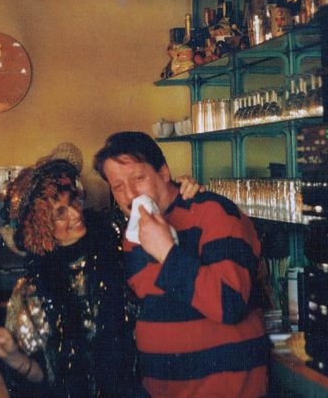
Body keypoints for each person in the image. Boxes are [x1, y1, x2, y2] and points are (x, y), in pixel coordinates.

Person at [0, 142, 201, 398]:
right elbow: (46, 380)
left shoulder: (119, 237)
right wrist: (15, 357)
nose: (75, 213)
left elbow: (164, 217)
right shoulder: (31, 293)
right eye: (60, 213)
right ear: (41, 229)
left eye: (73, 200)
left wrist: (182, 190)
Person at [93, 132, 269, 398]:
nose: (129, 194)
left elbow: (230, 304)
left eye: (138, 178)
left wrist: (167, 252)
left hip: (224, 389)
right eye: (118, 186)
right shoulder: (132, 234)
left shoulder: (215, 212)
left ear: (164, 173)